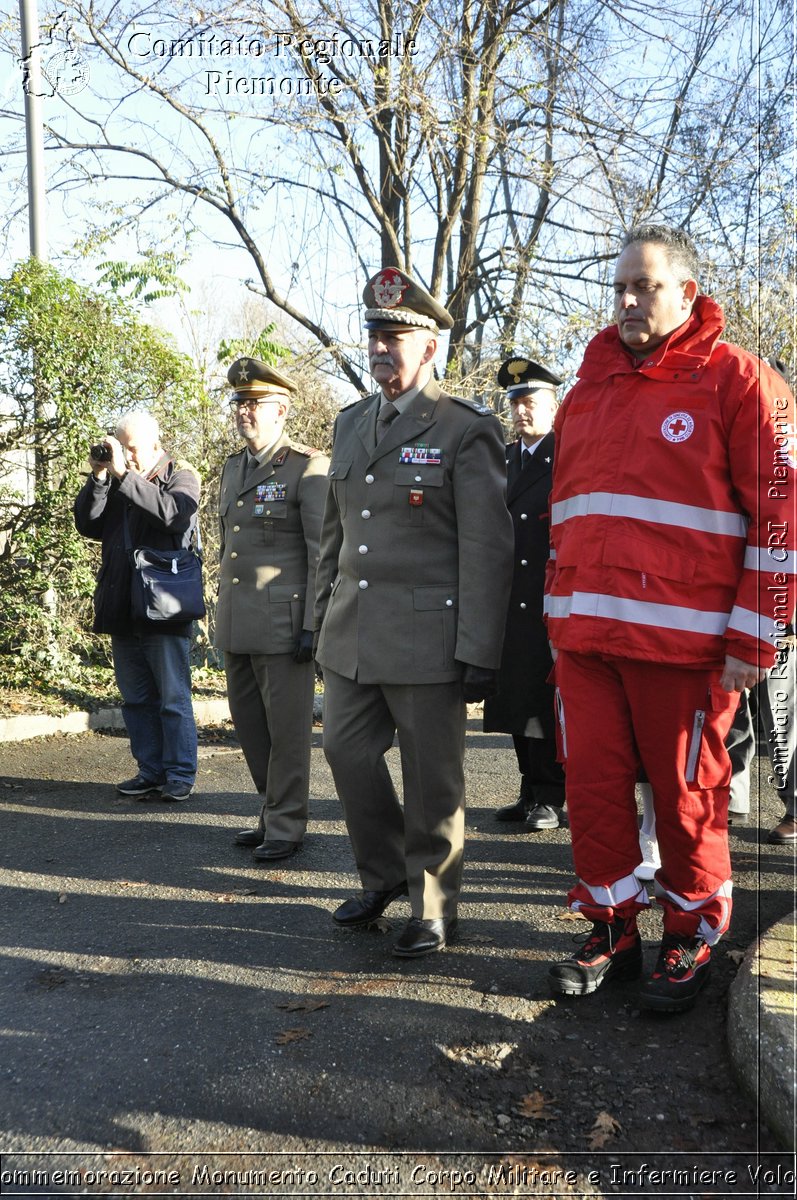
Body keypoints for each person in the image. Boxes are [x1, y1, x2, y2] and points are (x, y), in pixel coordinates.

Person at [545, 224, 796, 1012]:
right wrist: (554, 621)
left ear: (686, 292)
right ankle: (610, 923)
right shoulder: (584, 390)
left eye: (643, 286)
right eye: (618, 286)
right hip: (583, 641)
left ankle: (691, 930)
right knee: (589, 788)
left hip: (685, 648)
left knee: (687, 801)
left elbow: (781, 517)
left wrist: (757, 632)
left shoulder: (740, 380)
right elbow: (565, 516)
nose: (625, 300)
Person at [314, 266, 514, 957]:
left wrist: (478, 650)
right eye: (372, 334)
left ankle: (432, 903)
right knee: (344, 753)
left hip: (430, 638)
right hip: (352, 634)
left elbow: (487, 549)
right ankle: (383, 875)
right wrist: (319, 619)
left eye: (394, 336)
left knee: (433, 781)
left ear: (429, 347)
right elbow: (334, 538)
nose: (379, 348)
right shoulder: (349, 425)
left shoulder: (463, 430)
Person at [216, 359, 330, 862]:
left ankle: (287, 823)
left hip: (286, 625)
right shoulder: (232, 467)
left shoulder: (308, 466)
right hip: (239, 622)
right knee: (250, 727)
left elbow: (322, 552)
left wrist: (314, 624)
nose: (244, 411)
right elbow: (229, 549)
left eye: (253, 403)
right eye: (239, 402)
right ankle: (270, 809)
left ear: (281, 410)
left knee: (286, 732)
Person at [74, 411, 200, 801]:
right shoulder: (114, 481)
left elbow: (173, 515)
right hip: (123, 605)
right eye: (120, 446)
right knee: (136, 699)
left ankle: (179, 774)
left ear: (155, 443)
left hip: (164, 607)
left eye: (132, 448)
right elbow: (87, 524)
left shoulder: (181, 476)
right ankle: (150, 770)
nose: (126, 456)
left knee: (173, 699)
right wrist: (98, 477)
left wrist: (124, 478)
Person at [484, 357, 566, 830]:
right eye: (515, 403)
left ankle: (552, 795)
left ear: (553, 405)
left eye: (531, 402)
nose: (521, 412)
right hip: (509, 597)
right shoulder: (505, 458)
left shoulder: (567, 455)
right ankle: (528, 787)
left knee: (543, 699)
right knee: (514, 697)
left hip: (547, 594)